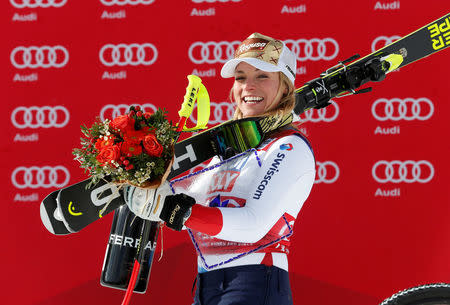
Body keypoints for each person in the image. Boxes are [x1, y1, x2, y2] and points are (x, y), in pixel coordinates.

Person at [125, 33, 316, 305]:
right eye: (240, 77)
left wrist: (172, 210)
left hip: (255, 283)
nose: (248, 86)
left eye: (262, 76)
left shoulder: (289, 147)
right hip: (206, 286)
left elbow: (253, 225)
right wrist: (144, 183)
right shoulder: (228, 148)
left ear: (285, 87)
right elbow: (187, 199)